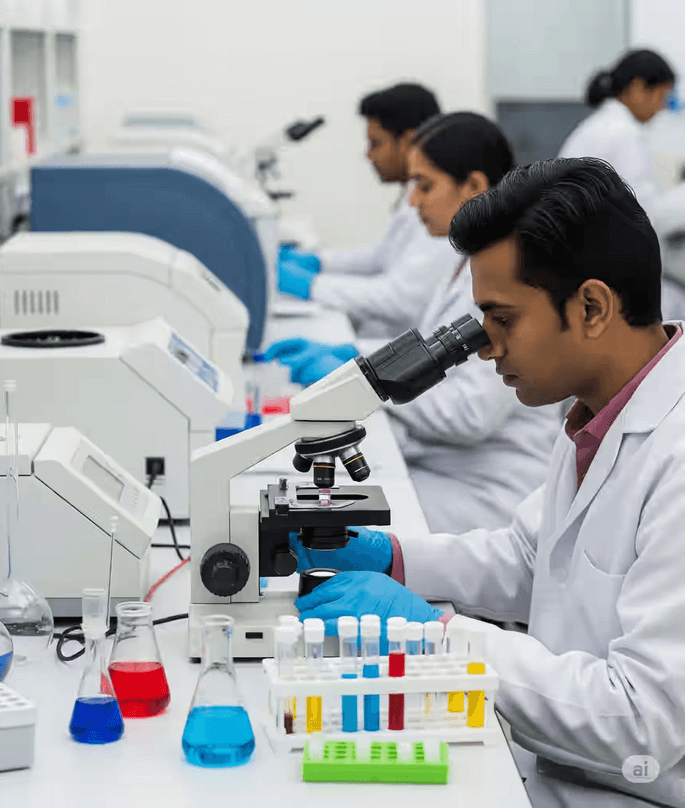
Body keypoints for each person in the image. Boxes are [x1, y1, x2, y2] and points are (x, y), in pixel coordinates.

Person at [295, 157, 685, 808]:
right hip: (558, 763)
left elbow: (643, 721)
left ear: (591, 307)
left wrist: (437, 638)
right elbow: (527, 558)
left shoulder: (676, 451)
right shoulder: (597, 408)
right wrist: (392, 558)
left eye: (502, 320)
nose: (484, 348)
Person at [268, 114, 561, 533]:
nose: (412, 202)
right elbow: (429, 354)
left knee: (327, 525)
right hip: (445, 467)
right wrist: (361, 364)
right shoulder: (467, 261)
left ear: (474, 187)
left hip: (486, 492)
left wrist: (370, 381)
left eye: (424, 186)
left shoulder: (506, 279)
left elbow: (470, 413)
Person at [277, 82, 455, 337]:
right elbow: (381, 258)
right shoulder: (414, 193)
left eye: (376, 144)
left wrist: (311, 285)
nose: (368, 155)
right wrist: (318, 262)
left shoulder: (444, 206)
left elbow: (401, 299)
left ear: (409, 140)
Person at [560, 49, 685, 321]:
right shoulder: (624, 133)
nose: (662, 107)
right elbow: (646, 213)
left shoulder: (600, 125)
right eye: (662, 96)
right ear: (639, 88)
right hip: (592, 262)